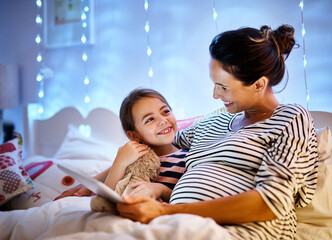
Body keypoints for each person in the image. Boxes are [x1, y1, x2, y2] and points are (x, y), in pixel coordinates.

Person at [116, 24, 318, 240]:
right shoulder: (214, 121)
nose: (215, 94)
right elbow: (155, 143)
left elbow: (272, 201)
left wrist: (166, 211)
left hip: (240, 233)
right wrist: (101, 176)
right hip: (176, 227)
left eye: (223, 87)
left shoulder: (290, 119)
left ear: (259, 85)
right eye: (214, 84)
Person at [55, 88, 186, 202]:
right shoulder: (135, 159)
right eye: (150, 119)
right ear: (134, 136)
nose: (163, 121)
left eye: (165, 111)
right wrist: (120, 162)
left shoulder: (187, 157)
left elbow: (186, 199)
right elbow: (105, 198)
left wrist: (161, 189)